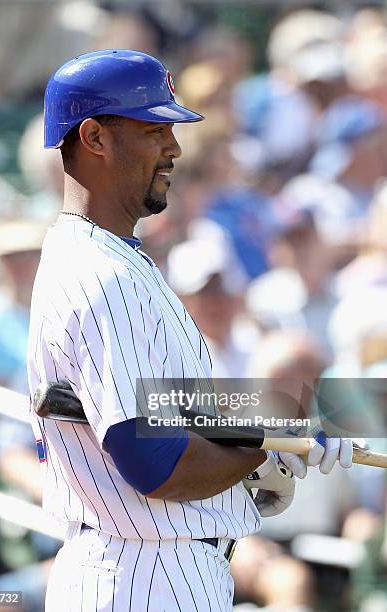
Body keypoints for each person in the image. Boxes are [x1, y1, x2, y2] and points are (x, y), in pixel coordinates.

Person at [27, 49, 353, 612]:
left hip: (148, 568)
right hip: (144, 575)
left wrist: (283, 415)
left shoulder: (109, 259)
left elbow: (171, 408)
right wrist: (265, 447)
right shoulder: (103, 275)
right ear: (95, 137)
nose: (174, 147)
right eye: (155, 130)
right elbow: (155, 462)